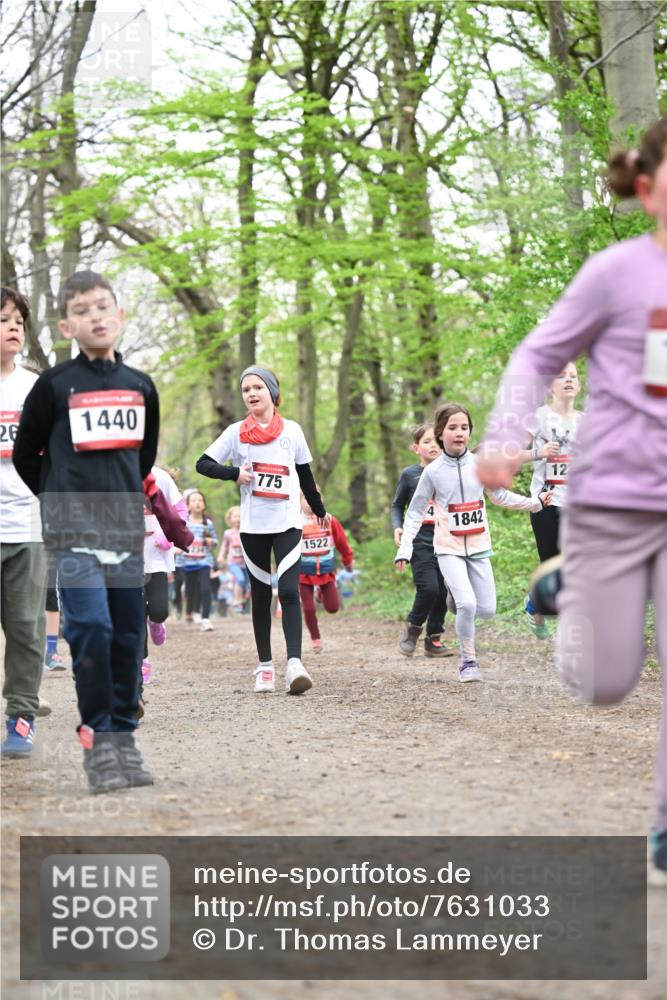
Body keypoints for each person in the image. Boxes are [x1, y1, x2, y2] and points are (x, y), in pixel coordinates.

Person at [477, 118, 667, 880]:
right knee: (604, 680)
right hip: (615, 500)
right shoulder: (615, 274)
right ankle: (572, 585)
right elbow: (537, 353)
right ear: (647, 189)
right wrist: (504, 435)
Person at [13, 270, 159, 793]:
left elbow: (144, 457)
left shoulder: (141, 386)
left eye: (103, 307)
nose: (95, 316)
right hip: (71, 532)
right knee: (90, 630)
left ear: (119, 317)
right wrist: (58, 498)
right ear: (66, 325)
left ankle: (124, 738)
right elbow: (28, 454)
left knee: (125, 637)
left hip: (122, 531)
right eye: (83, 310)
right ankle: (97, 737)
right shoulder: (52, 387)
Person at [395, 403, 552, 683]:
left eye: (464, 428)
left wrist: (535, 504)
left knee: (487, 609)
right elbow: (416, 511)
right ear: (441, 433)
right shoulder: (432, 472)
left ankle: (453, 597)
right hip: (448, 548)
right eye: (453, 428)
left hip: (479, 547)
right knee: (467, 605)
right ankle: (468, 661)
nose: (459, 433)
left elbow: (500, 496)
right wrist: (405, 549)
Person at [196, 365, 326, 694]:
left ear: (271, 392)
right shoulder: (236, 432)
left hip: (287, 523)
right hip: (253, 527)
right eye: (246, 390)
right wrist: (233, 474)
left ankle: (295, 663)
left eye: (258, 388)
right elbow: (203, 463)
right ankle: (265, 665)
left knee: (287, 590)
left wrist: (320, 510)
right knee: (259, 596)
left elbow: (305, 475)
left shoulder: (292, 431)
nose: (252, 394)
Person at [0, 287, 47, 756]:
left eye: (19, 320)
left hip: (27, 526)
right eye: (3, 319)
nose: (14, 326)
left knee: (25, 628)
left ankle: (21, 717)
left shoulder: (35, 389)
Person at [519, 362, 582, 639]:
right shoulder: (538, 417)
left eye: (573, 376)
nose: (568, 380)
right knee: (552, 565)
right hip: (546, 503)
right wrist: (538, 453)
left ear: (578, 386)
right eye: (561, 376)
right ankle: (535, 604)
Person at [391, 423, 452, 659]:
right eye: (426, 442)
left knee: (445, 590)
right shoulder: (409, 475)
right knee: (429, 588)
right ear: (416, 448)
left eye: (436, 441)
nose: (433, 446)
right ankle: (413, 629)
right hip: (419, 539)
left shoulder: (450, 471)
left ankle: (433, 639)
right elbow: (397, 505)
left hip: (447, 539)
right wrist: (398, 527)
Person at [142, 464, 190, 679]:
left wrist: (167, 536)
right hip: (126, 556)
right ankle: (142, 661)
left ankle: (155, 621)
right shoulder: (113, 469)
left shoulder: (160, 477)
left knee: (159, 610)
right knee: (134, 615)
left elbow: (181, 511)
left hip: (155, 555)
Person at [299, 489, 354, 653]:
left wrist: (348, 561)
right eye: (306, 499)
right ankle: (315, 639)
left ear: (321, 499)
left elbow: (342, 543)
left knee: (332, 608)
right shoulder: (295, 521)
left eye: (315, 499)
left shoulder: (329, 520)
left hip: (325, 570)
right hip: (303, 572)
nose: (310, 503)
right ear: (299, 501)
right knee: (309, 609)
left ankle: (320, 593)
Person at [181, 489, 218, 631]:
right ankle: (193, 610)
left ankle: (206, 618)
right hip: (188, 562)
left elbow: (215, 542)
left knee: (205, 588)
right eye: (194, 500)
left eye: (200, 500)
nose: (197, 503)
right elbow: (178, 539)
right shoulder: (184, 522)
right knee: (190, 591)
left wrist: (211, 542)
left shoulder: (207, 523)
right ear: (188, 506)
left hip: (204, 560)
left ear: (204, 505)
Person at [218, 505, 250, 612]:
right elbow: (224, 546)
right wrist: (221, 556)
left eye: (240, 516)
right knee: (240, 579)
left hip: (245, 563)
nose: (238, 519)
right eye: (235, 516)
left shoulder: (247, 531)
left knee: (245, 583)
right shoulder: (228, 533)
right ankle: (238, 600)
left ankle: (241, 604)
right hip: (233, 562)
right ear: (230, 519)